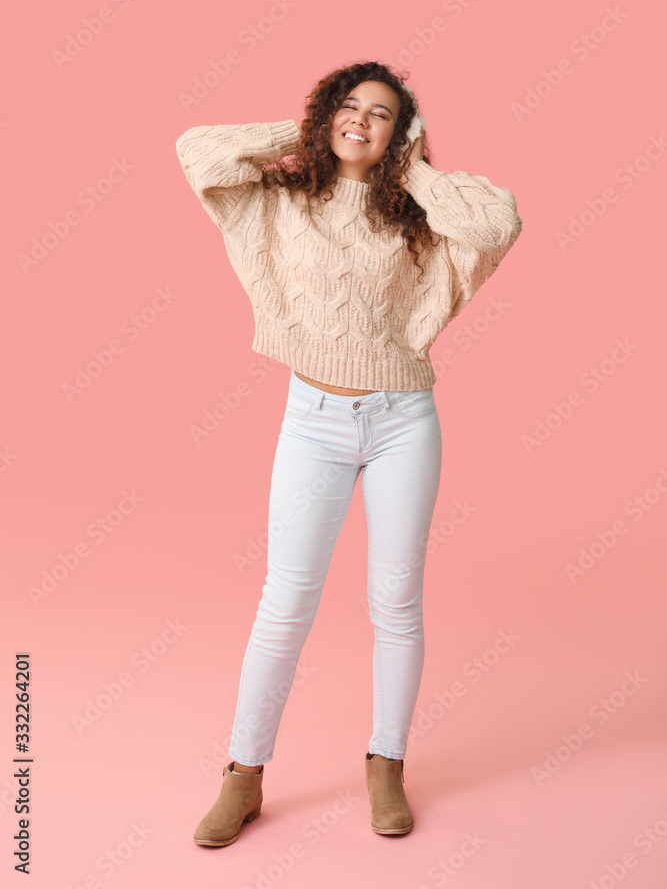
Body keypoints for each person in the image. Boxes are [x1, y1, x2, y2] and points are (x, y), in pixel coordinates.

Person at [175, 60, 523, 846]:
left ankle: (385, 765)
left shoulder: (418, 213)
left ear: (402, 134)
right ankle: (243, 774)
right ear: (327, 112)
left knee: (395, 603)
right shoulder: (280, 199)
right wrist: (305, 137)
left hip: (404, 419)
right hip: (312, 419)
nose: (362, 120)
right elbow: (197, 150)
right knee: (284, 602)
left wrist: (412, 162)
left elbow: (496, 223)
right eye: (349, 106)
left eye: (383, 114)